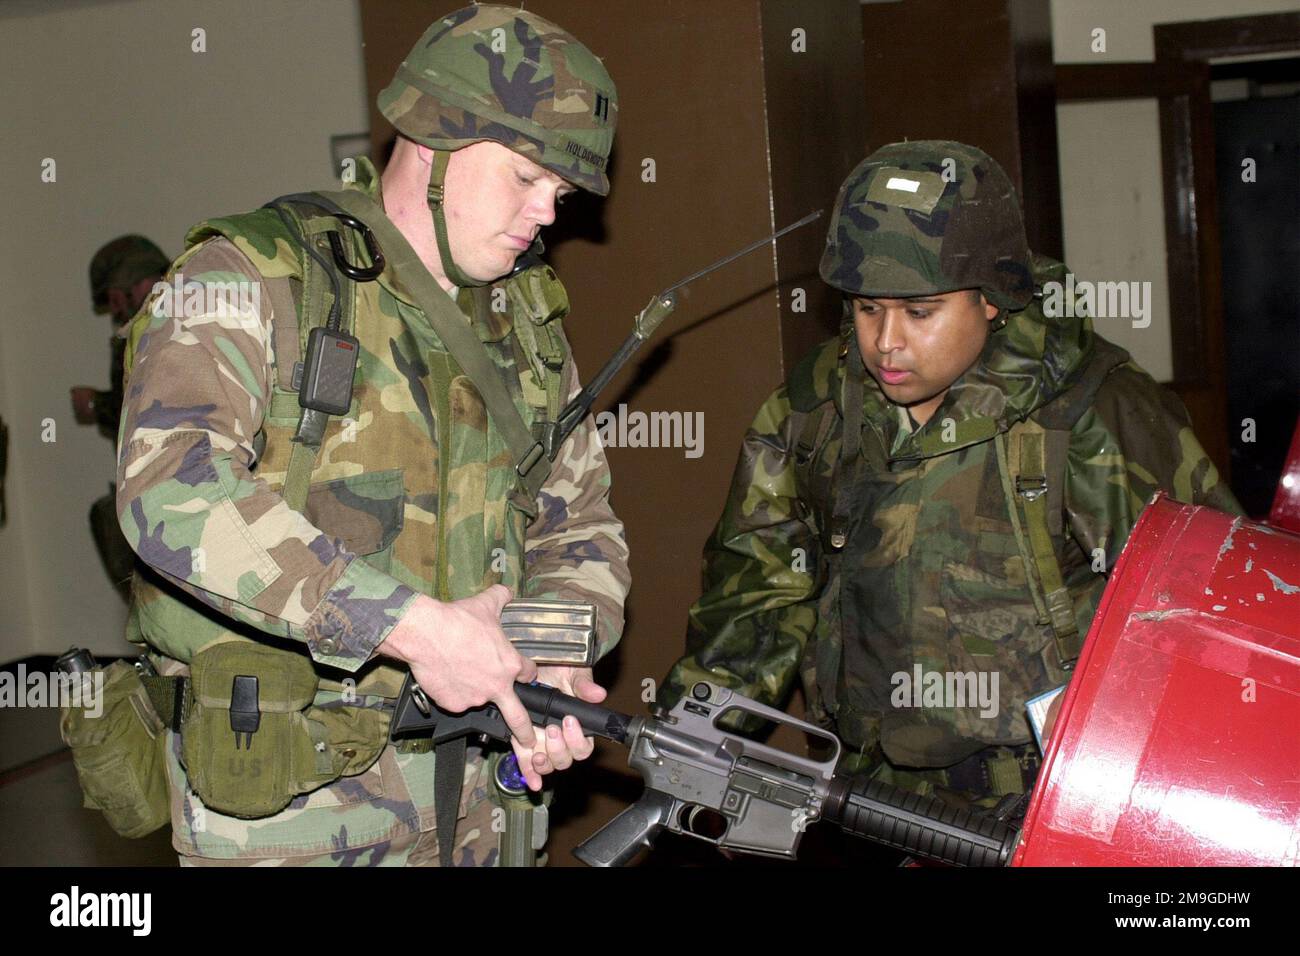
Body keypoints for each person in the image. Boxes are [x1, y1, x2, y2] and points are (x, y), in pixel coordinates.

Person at [114, 4, 629, 866]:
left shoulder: (524, 327)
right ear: (432, 135)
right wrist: (413, 629)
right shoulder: (252, 276)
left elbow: (579, 525)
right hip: (298, 819)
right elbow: (170, 490)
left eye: (562, 194)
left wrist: (540, 668)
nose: (548, 214)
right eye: (525, 179)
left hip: (485, 815)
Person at [661, 141, 1238, 812]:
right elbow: (756, 594)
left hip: (1057, 803)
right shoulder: (815, 410)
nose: (886, 342)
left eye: (920, 312)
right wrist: (695, 748)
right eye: (865, 308)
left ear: (994, 299)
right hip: (873, 804)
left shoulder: (1092, 410)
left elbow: (1211, 616)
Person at [74, 236, 169, 601]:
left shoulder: (160, 323)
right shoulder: (178, 308)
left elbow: (147, 408)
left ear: (135, 282)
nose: (114, 312)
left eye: (114, 298)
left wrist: (96, 406)